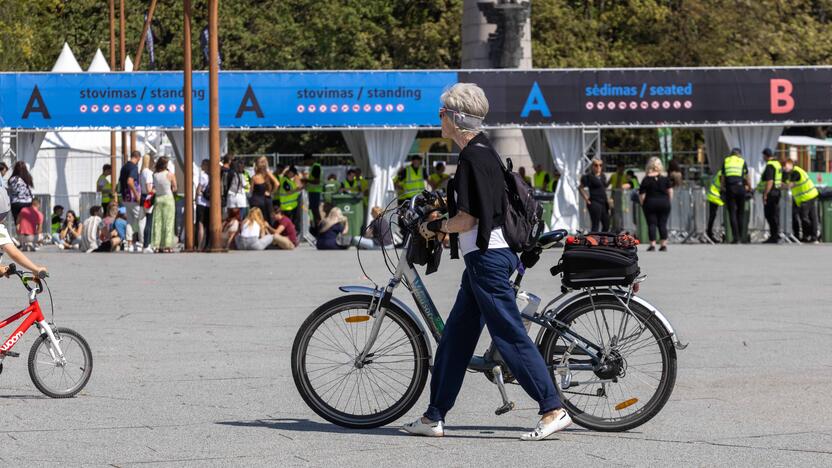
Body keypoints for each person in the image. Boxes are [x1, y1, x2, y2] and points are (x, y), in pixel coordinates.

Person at [404, 82, 569, 441]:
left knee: (508, 335)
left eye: (443, 112)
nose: (439, 117)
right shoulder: (481, 152)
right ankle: (434, 417)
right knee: (455, 339)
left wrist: (436, 227)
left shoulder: (473, 158)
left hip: (488, 259)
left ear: (456, 117)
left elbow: (470, 219)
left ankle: (552, 408)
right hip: (484, 259)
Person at [639, 157, 673, 251]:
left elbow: (642, 195)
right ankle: (663, 245)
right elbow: (670, 192)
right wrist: (668, 201)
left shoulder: (646, 179)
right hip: (664, 202)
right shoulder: (665, 179)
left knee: (652, 224)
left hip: (650, 203)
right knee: (663, 223)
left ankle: (652, 244)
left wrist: (642, 204)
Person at [784, 159, 819, 243]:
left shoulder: (795, 172)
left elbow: (790, 185)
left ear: (790, 165)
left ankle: (813, 234)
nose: (783, 168)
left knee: (804, 217)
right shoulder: (793, 172)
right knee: (810, 217)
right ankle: (809, 236)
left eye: (785, 166)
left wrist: (780, 185)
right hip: (808, 196)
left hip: (807, 197)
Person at [721, 148, 751, 244]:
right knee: (741, 213)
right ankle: (742, 236)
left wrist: (722, 187)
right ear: (739, 154)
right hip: (740, 188)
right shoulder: (742, 161)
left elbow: (723, 177)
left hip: (730, 189)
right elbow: (746, 176)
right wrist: (750, 187)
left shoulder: (726, 161)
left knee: (732, 213)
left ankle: (735, 237)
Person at [152, 157, 178, 253]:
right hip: (168, 198)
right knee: (168, 222)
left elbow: (154, 188)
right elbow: (175, 188)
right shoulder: (170, 174)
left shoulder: (154, 175)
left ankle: (157, 244)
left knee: (158, 222)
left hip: (158, 198)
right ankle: (168, 245)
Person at [119, 150, 142, 252]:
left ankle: (129, 243)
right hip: (133, 197)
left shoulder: (124, 167)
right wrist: (137, 194)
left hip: (125, 197)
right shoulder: (134, 167)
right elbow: (130, 181)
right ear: (138, 158)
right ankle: (142, 243)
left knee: (130, 220)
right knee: (141, 218)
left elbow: (121, 181)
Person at [758, 148, 782, 243]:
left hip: (771, 193)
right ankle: (776, 235)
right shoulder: (777, 164)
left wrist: (765, 194)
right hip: (777, 192)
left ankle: (774, 236)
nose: (763, 157)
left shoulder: (770, 166)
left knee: (769, 215)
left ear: (766, 155)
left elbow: (770, 181)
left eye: (763, 155)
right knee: (775, 215)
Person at [580, 158, 610, 232]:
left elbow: (604, 187)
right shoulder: (589, 176)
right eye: (596, 165)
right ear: (592, 166)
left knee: (606, 224)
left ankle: (603, 240)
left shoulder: (603, 176)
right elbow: (580, 188)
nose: (598, 167)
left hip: (604, 202)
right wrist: (586, 199)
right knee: (595, 224)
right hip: (594, 202)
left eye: (600, 165)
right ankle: (594, 241)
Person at [249, 156, 279, 224]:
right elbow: (277, 183)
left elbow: (251, 190)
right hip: (266, 200)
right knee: (268, 220)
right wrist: (271, 193)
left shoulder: (254, 177)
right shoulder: (268, 174)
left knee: (256, 220)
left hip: (255, 201)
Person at [278, 165, 303, 232]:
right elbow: (288, 192)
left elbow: (299, 185)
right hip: (287, 207)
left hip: (293, 206)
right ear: (288, 173)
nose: (294, 175)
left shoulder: (290, 181)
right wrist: (297, 189)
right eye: (293, 173)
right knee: (288, 224)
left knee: (292, 223)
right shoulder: (284, 181)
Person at [139, 154, 155, 252]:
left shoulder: (141, 172)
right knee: (149, 221)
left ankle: (142, 242)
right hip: (148, 197)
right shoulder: (148, 173)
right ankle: (146, 244)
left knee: (142, 221)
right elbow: (149, 188)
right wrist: (155, 189)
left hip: (142, 196)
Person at [302, 153, 323, 227]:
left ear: (310, 160)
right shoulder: (313, 167)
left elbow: (317, 181)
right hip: (313, 192)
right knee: (314, 211)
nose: (305, 163)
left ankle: (320, 227)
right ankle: (317, 227)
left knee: (315, 211)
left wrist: (306, 180)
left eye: (306, 161)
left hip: (315, 192)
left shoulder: (316, 167)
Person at [705, 169, 724, 243]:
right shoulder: (722, 172)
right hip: (715, 195)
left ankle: (710, 233)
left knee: (713, 216)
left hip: (715, 195)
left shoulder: (721, 171)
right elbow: (723, 184)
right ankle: (709, 233)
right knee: (713, 216)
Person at [196, 159, 211, 250]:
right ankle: (207, 245)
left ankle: (199, 246)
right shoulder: (212, 176)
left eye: (202, 164)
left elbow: (198, 190)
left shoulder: (203, 176)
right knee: (208, 225)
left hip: (201, 202)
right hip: (209, 203)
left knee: (200, 224)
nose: (201, 166)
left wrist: (198, 194)